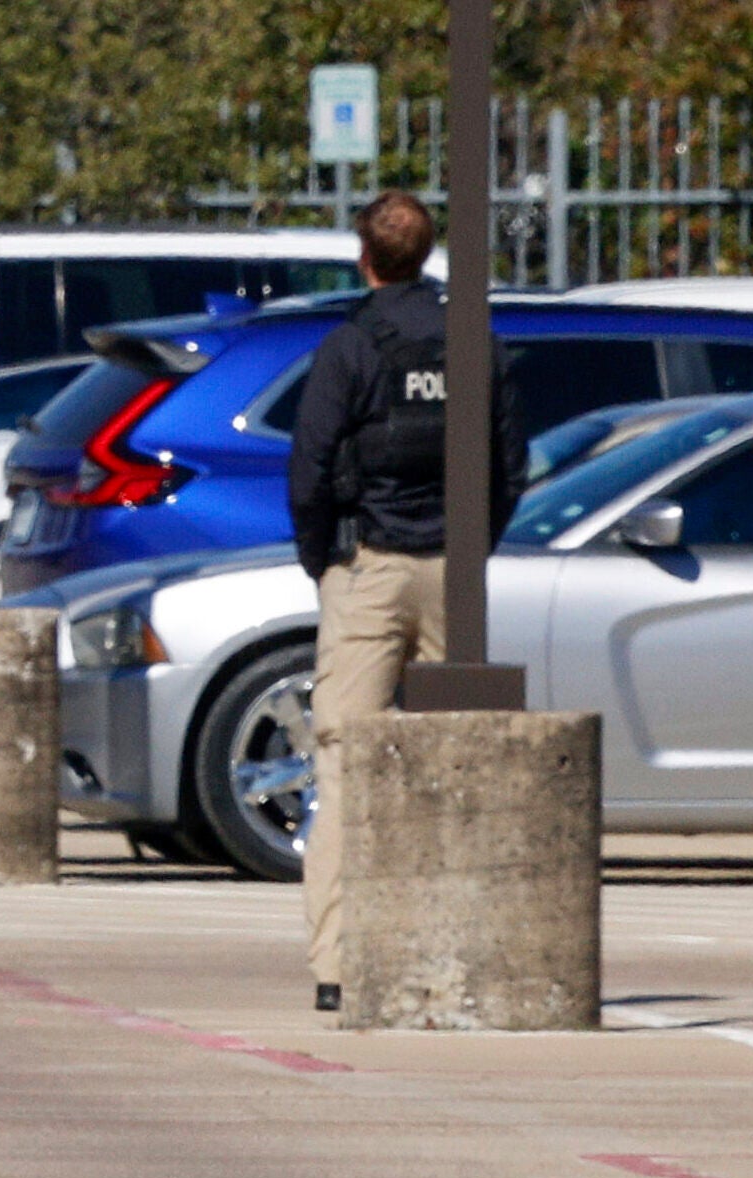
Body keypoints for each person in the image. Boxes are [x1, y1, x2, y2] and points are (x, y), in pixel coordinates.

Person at [282, 193, 527, 1018]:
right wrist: (473, 551)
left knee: (345, 762)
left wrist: (324, 562)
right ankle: (455, 944)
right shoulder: (473, 344)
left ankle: (342, 966)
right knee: (457, 763)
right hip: (453, 571)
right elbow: (509, 461)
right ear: (425, 257)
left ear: (366, 257)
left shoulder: (352, 347)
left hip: (372, 567)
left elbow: (310, 465)